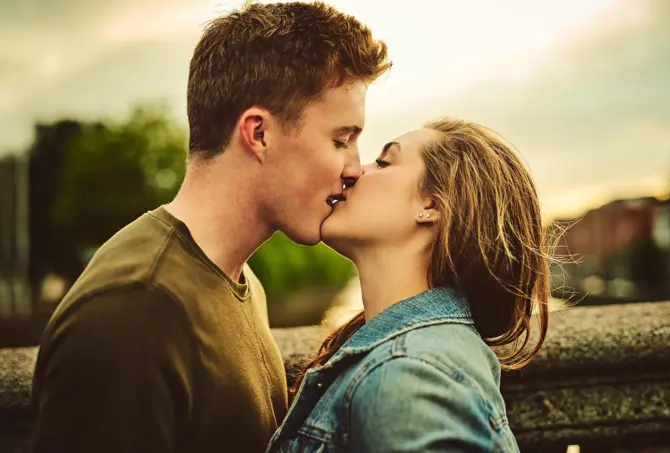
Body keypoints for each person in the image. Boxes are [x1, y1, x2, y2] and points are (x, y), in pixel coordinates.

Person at [29, 2, 390, 452]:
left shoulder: (239, 280)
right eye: (341, 139)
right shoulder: (134, 309)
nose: (354, 168)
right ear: (258, 134)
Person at [266, 119, 553, 452]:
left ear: (431, 206)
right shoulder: (424, 354)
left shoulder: (408, 375)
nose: (356, 171)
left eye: (384, 161)